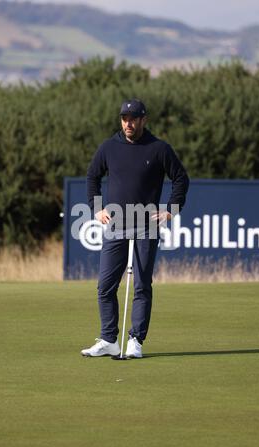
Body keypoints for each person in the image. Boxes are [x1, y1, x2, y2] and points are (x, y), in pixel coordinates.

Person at [81, 99, 189, 358]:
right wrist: (98, 208)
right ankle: (109, 340)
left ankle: (135, 341)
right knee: (105, 286)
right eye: (124, 118)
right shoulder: (109, 147)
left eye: (133, 118)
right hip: (115, 225)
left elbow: (180, 178)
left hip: (146, 226)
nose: (128, 123)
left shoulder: (159, 148)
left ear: (144, 120)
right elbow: (92, 176)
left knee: (141, 285)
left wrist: (171, 209)